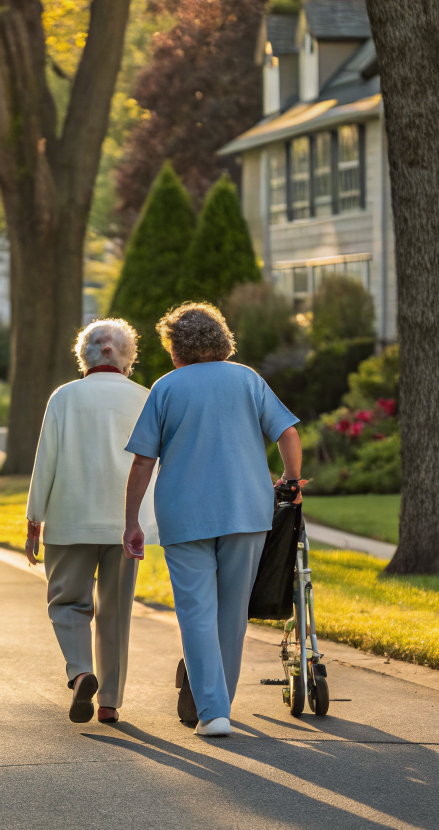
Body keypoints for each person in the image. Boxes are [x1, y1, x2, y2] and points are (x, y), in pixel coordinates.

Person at [122, 302, 301, 738]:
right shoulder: (247, 379)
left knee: (196, 613)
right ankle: (221, 705)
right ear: (221, 339)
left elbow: (144, 462)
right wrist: (291, 480)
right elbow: (288, 433)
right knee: (231, 613)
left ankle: (214, 711)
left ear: (175, 347)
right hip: (246, 510)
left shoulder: (165, 388)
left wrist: (131, 521)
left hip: (184, 514)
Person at [25, 318, 157, 725]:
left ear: (83, 355)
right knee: (116, 611)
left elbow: (46, 459)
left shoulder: (65, 397)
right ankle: (110, 702)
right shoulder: (146, 397)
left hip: (71, 517)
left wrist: (35, 518)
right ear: (128, 357)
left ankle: (82, 671)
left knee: (67, 603)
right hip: (126, 524)